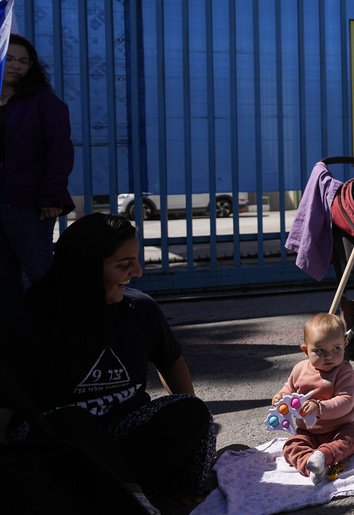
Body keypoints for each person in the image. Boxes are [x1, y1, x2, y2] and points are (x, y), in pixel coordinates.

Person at [0, 213, 216, 514]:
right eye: (124, 265)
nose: (138, 271)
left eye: (136, 260)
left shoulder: (139, 309)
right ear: (84, 269)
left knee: (191, 411)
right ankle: (131, 504)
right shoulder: (27, 322)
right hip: (58, 446)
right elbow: (5, 405)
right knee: (72, 421)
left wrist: (191, 425)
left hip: (123, 436)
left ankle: (114, 496)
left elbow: (170, 360)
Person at [0, 34, 74, 311]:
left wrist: (52, 196)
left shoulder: (43, 102)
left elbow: (60, 151)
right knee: (3, 274)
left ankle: (60, 332)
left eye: (24, 61)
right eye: (9, 58)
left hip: (27, 197)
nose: (16, 65)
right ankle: (13, 338)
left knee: (39, 269)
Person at [272, 312, 354, 485]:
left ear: (344, 345)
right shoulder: (299, 370)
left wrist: (320, 409)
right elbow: (289, 388)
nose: (328, 356)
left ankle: (322, 456)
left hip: (339, 427)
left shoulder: (344, 371)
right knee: (291, 446)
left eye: (336, 349)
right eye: (319, 350)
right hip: (307, 431)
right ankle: (310, 466)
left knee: (352, 438)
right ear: (306, 351)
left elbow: (346, 401)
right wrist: (281, 397)